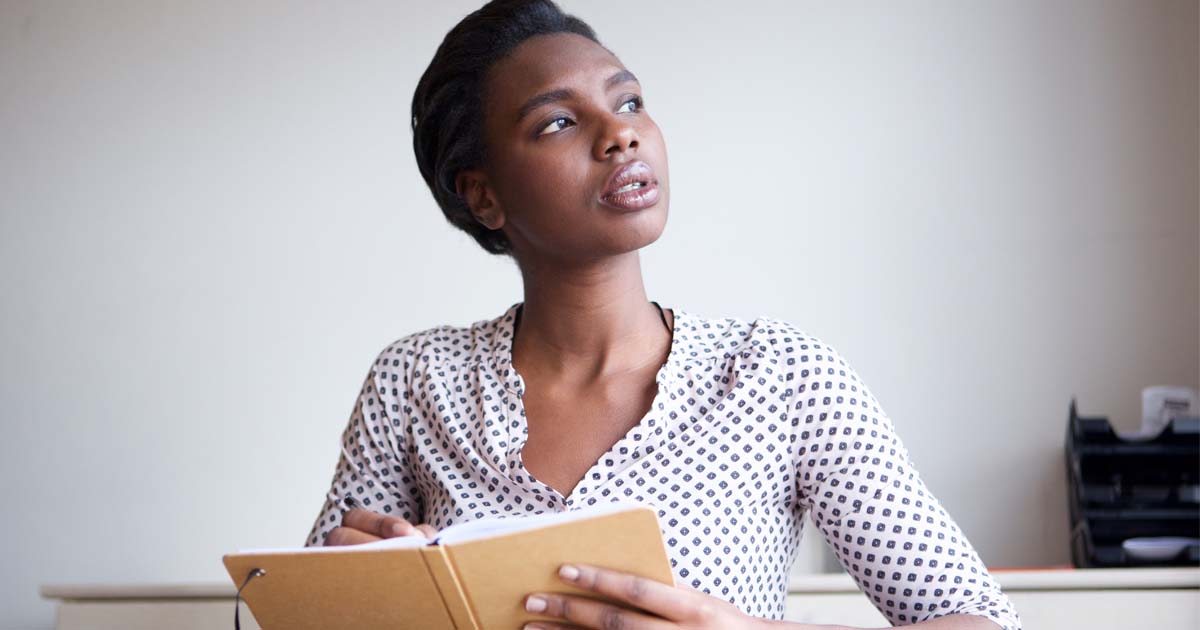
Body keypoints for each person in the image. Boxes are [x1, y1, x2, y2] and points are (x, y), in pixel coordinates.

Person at [304, 1, 1021, 628]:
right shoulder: (414, 382)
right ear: (484, 196)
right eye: (557, 121)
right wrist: (343, 597)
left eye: (628, 102)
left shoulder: (779, 377)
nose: (620, 135)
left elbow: (988, 624)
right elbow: (294, 609)